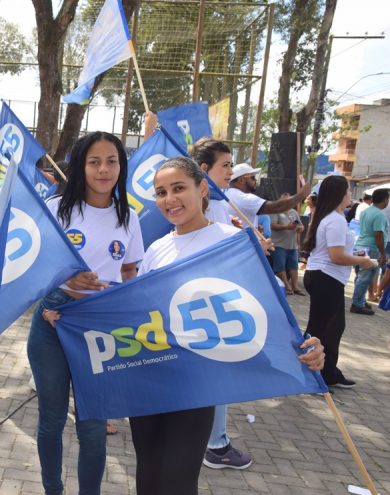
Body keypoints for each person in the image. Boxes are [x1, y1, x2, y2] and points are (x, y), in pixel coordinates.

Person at [129, 156, 325, 494]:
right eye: (161, 192)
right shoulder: (156, 250)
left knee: (177, 483)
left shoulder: (233, 241)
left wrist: (307, 346)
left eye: (179, 188)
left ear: (203, 188)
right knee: (147, 478)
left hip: (198, 386)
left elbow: (269, 310)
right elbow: (137, 313)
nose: (169, 200)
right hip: (151, 382)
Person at [27, 131, 144, 495]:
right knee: (52, 420)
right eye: (94, 161)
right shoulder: (57, 208)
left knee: (93, 426)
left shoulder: (130, 217)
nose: (103, 169)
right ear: (81, 166)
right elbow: (34, 268)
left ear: (121, 166)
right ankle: (53, 489)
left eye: (112, 161)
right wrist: (64, 279)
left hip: (100, 326)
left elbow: (129, 272)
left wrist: (118, 299)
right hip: (54, 320)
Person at [192, 138, 253, 470]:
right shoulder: (206, 205)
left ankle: (213, 441)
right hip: (207, 303)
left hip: (215, 301)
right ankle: (215, 445)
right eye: (226, 165)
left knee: (214, 373)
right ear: (204, 170)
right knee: (216, 373)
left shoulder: (219, 204)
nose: (231, 171)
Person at [303, 175, 376, 389]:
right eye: (347, 191)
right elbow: (336, 256)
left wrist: (356, 255)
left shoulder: (331, 217)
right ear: (339, 194)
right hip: (326, 277)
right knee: (320, 329)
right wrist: (363, 261)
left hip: (326, 277)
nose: (350, 195)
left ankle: (329, 372)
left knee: (332, 327)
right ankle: (315, 375)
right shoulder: (334, 220)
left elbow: (337, 252)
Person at [226, 163, 312, 228]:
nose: (255, 180)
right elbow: (277, 207)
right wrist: (302, 194)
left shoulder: (229, 194)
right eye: (252, 178)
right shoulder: (242, 198)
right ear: (241, 180)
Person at [350, 188, 389, 315]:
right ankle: (357, 304)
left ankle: (359, 300)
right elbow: (378, 234)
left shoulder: (366, 211)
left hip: (360, 245)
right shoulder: (379, 215)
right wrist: (383, 254)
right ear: (385, 199)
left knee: (361, 276)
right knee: (366, 277)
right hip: (372, 248)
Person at [270, 193, 305, 295]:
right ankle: (286, 286)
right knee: (280, 266)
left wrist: (300, 228)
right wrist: (286, 227)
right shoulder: (274, 211)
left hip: (292, 245)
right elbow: (272, 225)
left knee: (293, 266)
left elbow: (301, 225)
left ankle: (295, 286)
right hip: (278, 244)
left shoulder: (294, 212)